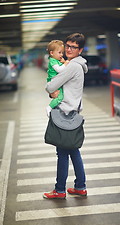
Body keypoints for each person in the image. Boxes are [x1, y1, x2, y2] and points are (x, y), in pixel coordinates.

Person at [43, 33, 88, 199]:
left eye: (73, 47)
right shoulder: (76, 65)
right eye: (67, 46)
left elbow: (51, 86)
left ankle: (60, 190)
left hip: (65, 112)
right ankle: (80, 186)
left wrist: (50, 90)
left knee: (62, 153)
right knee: (74, 152)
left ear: (80, 50)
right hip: (72, 111)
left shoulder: (72, 66)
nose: (69, 49)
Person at [46, 40, 69, 117]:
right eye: (59, 52)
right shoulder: (52, 61)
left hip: (56, 81)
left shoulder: (56, 60)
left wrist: (63, 62)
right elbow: (60, 70)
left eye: (62, 52)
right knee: (60, 97)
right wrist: (65, 63)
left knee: (59, 97)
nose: (61, 54)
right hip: (53, 81)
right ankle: (49, 108)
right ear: (52, 53)